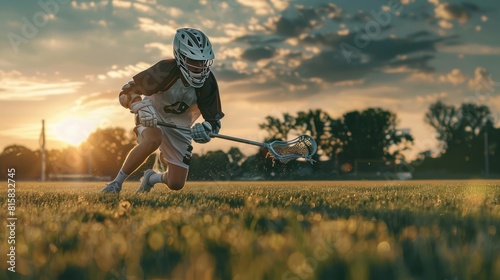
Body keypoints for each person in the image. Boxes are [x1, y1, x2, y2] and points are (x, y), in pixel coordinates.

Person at [101, 28, 224, 194]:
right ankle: (115, 184)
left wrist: (207, 129)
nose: (200, 66)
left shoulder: (208, 83)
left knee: (176, 183)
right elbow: (126, 92)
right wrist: (139, 106)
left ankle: (151, 178)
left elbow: (214, 121)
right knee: (153, 140)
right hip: (153, 114)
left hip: (181, 126)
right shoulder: (166, 70)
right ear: (180, 56)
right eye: (194, 61)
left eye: (203, 61)